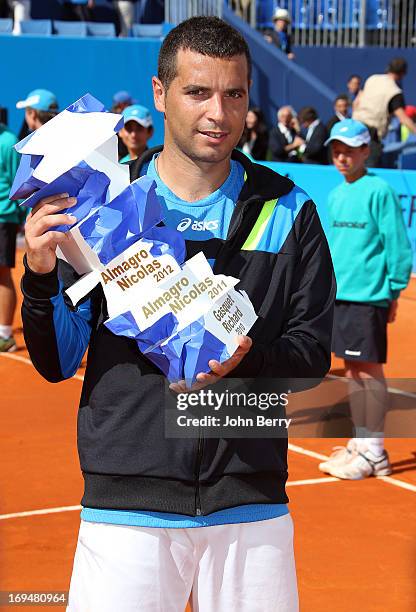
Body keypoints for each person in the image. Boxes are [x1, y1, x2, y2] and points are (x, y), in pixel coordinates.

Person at [22, 16, 335, 611]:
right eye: (198, 92)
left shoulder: (290, 210)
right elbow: (59, 361)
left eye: (234, 94)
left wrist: (251, 360)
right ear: (161, 94)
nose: (218, 113)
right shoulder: (105, 212)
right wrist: (39, 277)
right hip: (125, 506)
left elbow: (312, 354)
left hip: (250, 502)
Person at [319, 119, 412, 480]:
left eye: (349, 150)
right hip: (341, 297)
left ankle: (375, 453)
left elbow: (397, 246)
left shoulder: (380, 191)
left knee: (368, 372)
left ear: (365, 152)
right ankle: (361, 442)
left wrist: (392, 290)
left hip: (369, 297)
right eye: (336, 150)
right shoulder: (337, 194)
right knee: (353, 372)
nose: (341, 157)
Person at [353, 58, 416, 167]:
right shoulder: (395, 92)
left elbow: (356, 102)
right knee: (368, 172)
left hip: (354, 130)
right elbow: (403, 119)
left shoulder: (372, 79)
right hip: (370, 137)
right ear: (403, 74)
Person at [0, 123, 24, 352]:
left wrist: (21, 218)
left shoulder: (7, 142)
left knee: (2, 273)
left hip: (3, 218)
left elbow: (18, 183)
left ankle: (5, 335)